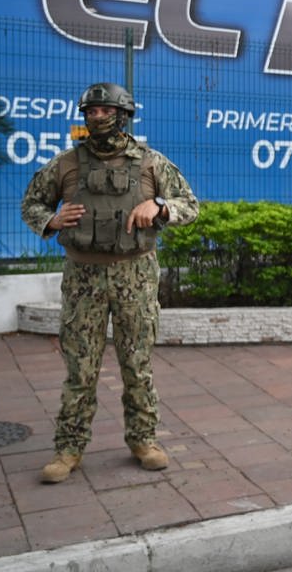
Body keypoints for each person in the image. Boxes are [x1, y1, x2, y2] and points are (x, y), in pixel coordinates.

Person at [21, 82, 199, 484]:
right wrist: (50, 220)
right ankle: (68, 448)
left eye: (104, 111)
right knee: (80, 367)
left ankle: (144, 440)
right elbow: (31, 202)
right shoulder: (66, 164)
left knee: (137, 362)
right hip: (83, 276)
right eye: (90, 112)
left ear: (122, 115)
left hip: (135, 274)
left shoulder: (151, 163)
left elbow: (190, 204)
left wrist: (160, 206)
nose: (96, 117)